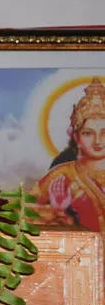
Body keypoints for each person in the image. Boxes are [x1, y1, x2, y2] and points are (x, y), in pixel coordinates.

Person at [35, 79, 105, 230]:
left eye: (104, 133)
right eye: (88, 133)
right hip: (79, 253)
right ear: (75, 136)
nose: (98, 141)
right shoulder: (60, 177)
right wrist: (58, 212)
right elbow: (23, 218)